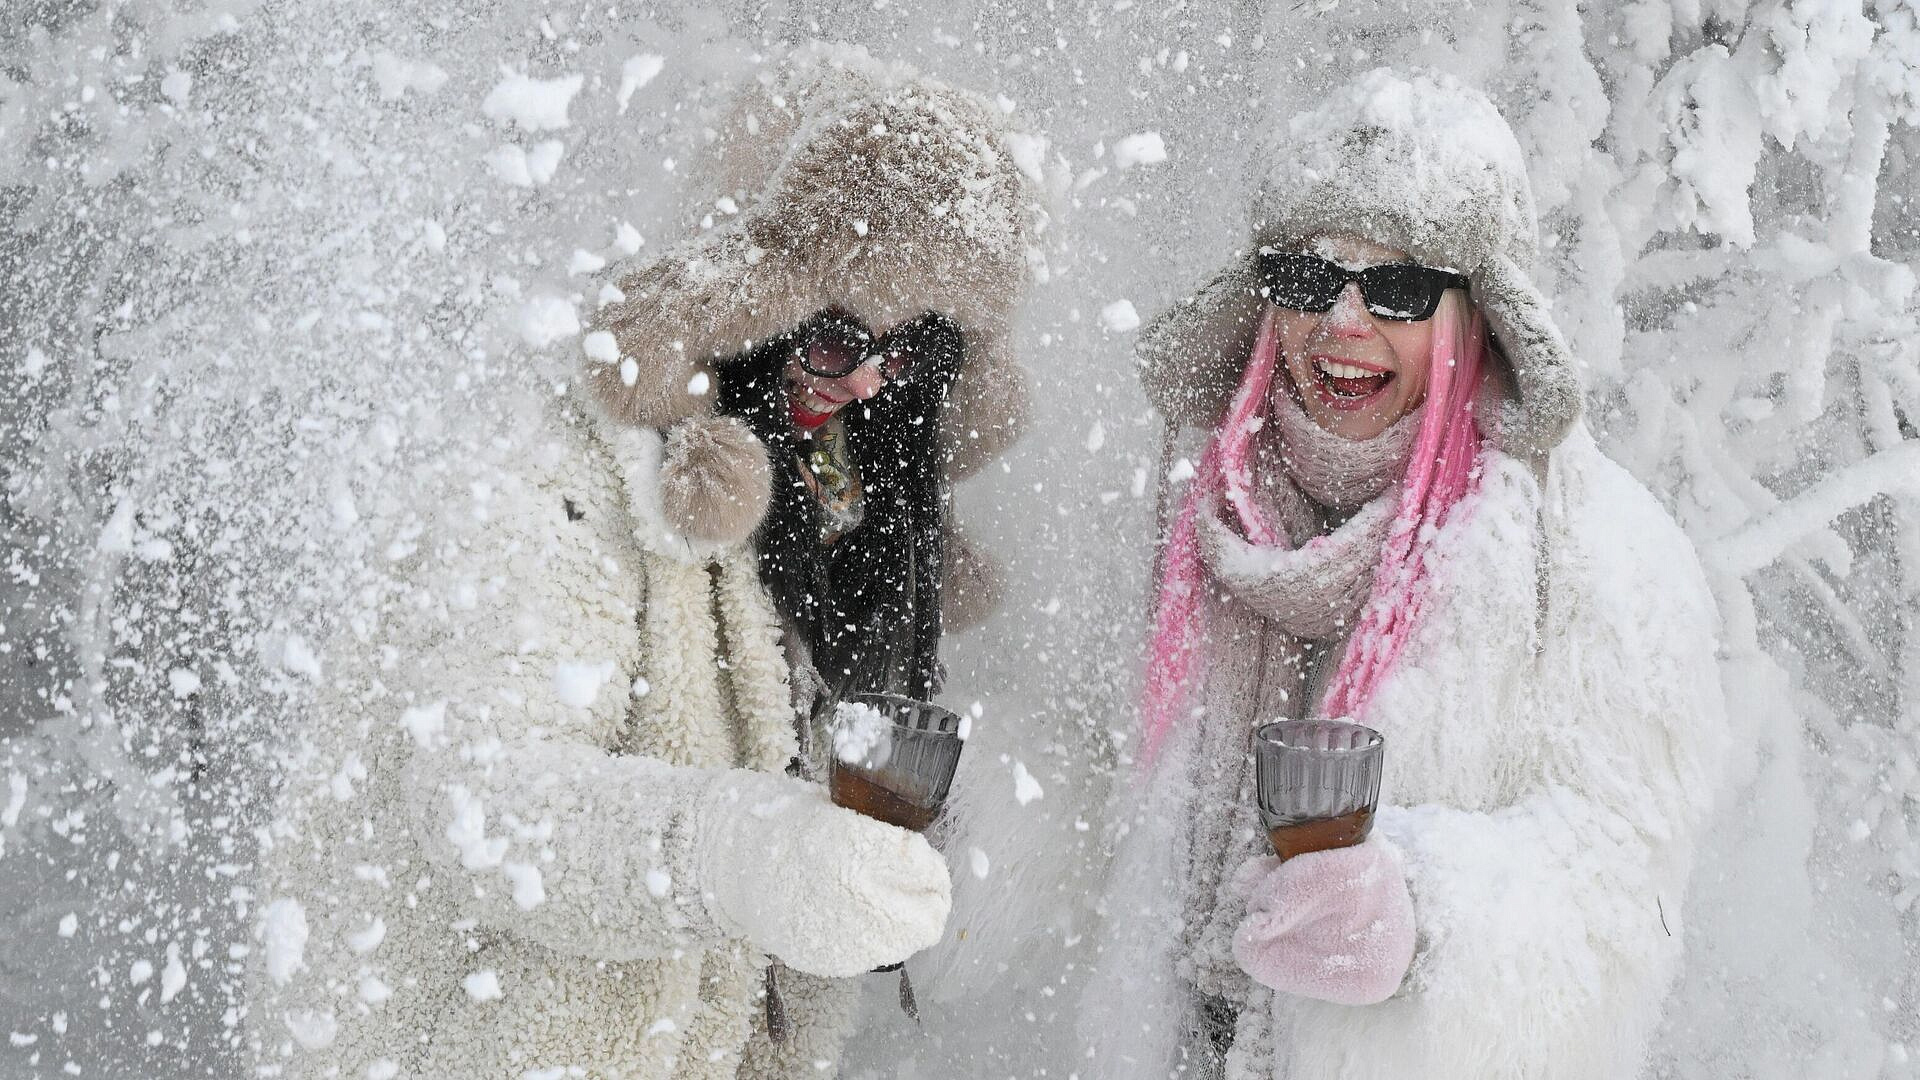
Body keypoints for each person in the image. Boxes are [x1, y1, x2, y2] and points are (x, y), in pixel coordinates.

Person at [248, 46, 1036, 1080]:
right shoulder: (556, 475)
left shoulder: (841, 504)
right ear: (745, 308)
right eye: (836, 339)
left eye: (916, 350)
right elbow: (488, 805)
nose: (867, 386)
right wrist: (749, 856)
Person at [1081, 68, 1728, 1079]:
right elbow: (1092, 797)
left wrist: (1417, 911)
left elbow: (1624, 891)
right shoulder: (1198, 511)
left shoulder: (1593, 554)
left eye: (1397, 290)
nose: (1342, 324)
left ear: (1477, 315)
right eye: (1308, 280)